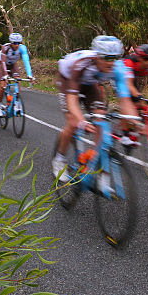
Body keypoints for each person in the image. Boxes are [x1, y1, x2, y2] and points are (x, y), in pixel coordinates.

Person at [52, 36, 140, 189]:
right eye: (106, 58)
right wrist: (81, 121)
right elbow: (72, 101)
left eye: (114, 58)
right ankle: (59, 158)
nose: (110, 63)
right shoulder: (80, 65)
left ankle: (94, 163)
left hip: (89, 83)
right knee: (73, 122)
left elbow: (125, 101)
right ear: (96, 56)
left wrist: (135, 120)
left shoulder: (118, 68)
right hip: (68, 79)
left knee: (101, 118)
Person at [0, 33, 33, 117]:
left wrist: (30, 75)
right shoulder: (5, 48)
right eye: (15, 43)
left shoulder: (22, 48)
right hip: (2, 65)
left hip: (13, 64)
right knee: (2, 86)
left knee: (17, 80)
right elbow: (3, 62)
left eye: (19, 43)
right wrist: (5, 75)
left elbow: (26, 61)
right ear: (11, 43)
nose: (17, 45)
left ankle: (17, 104)